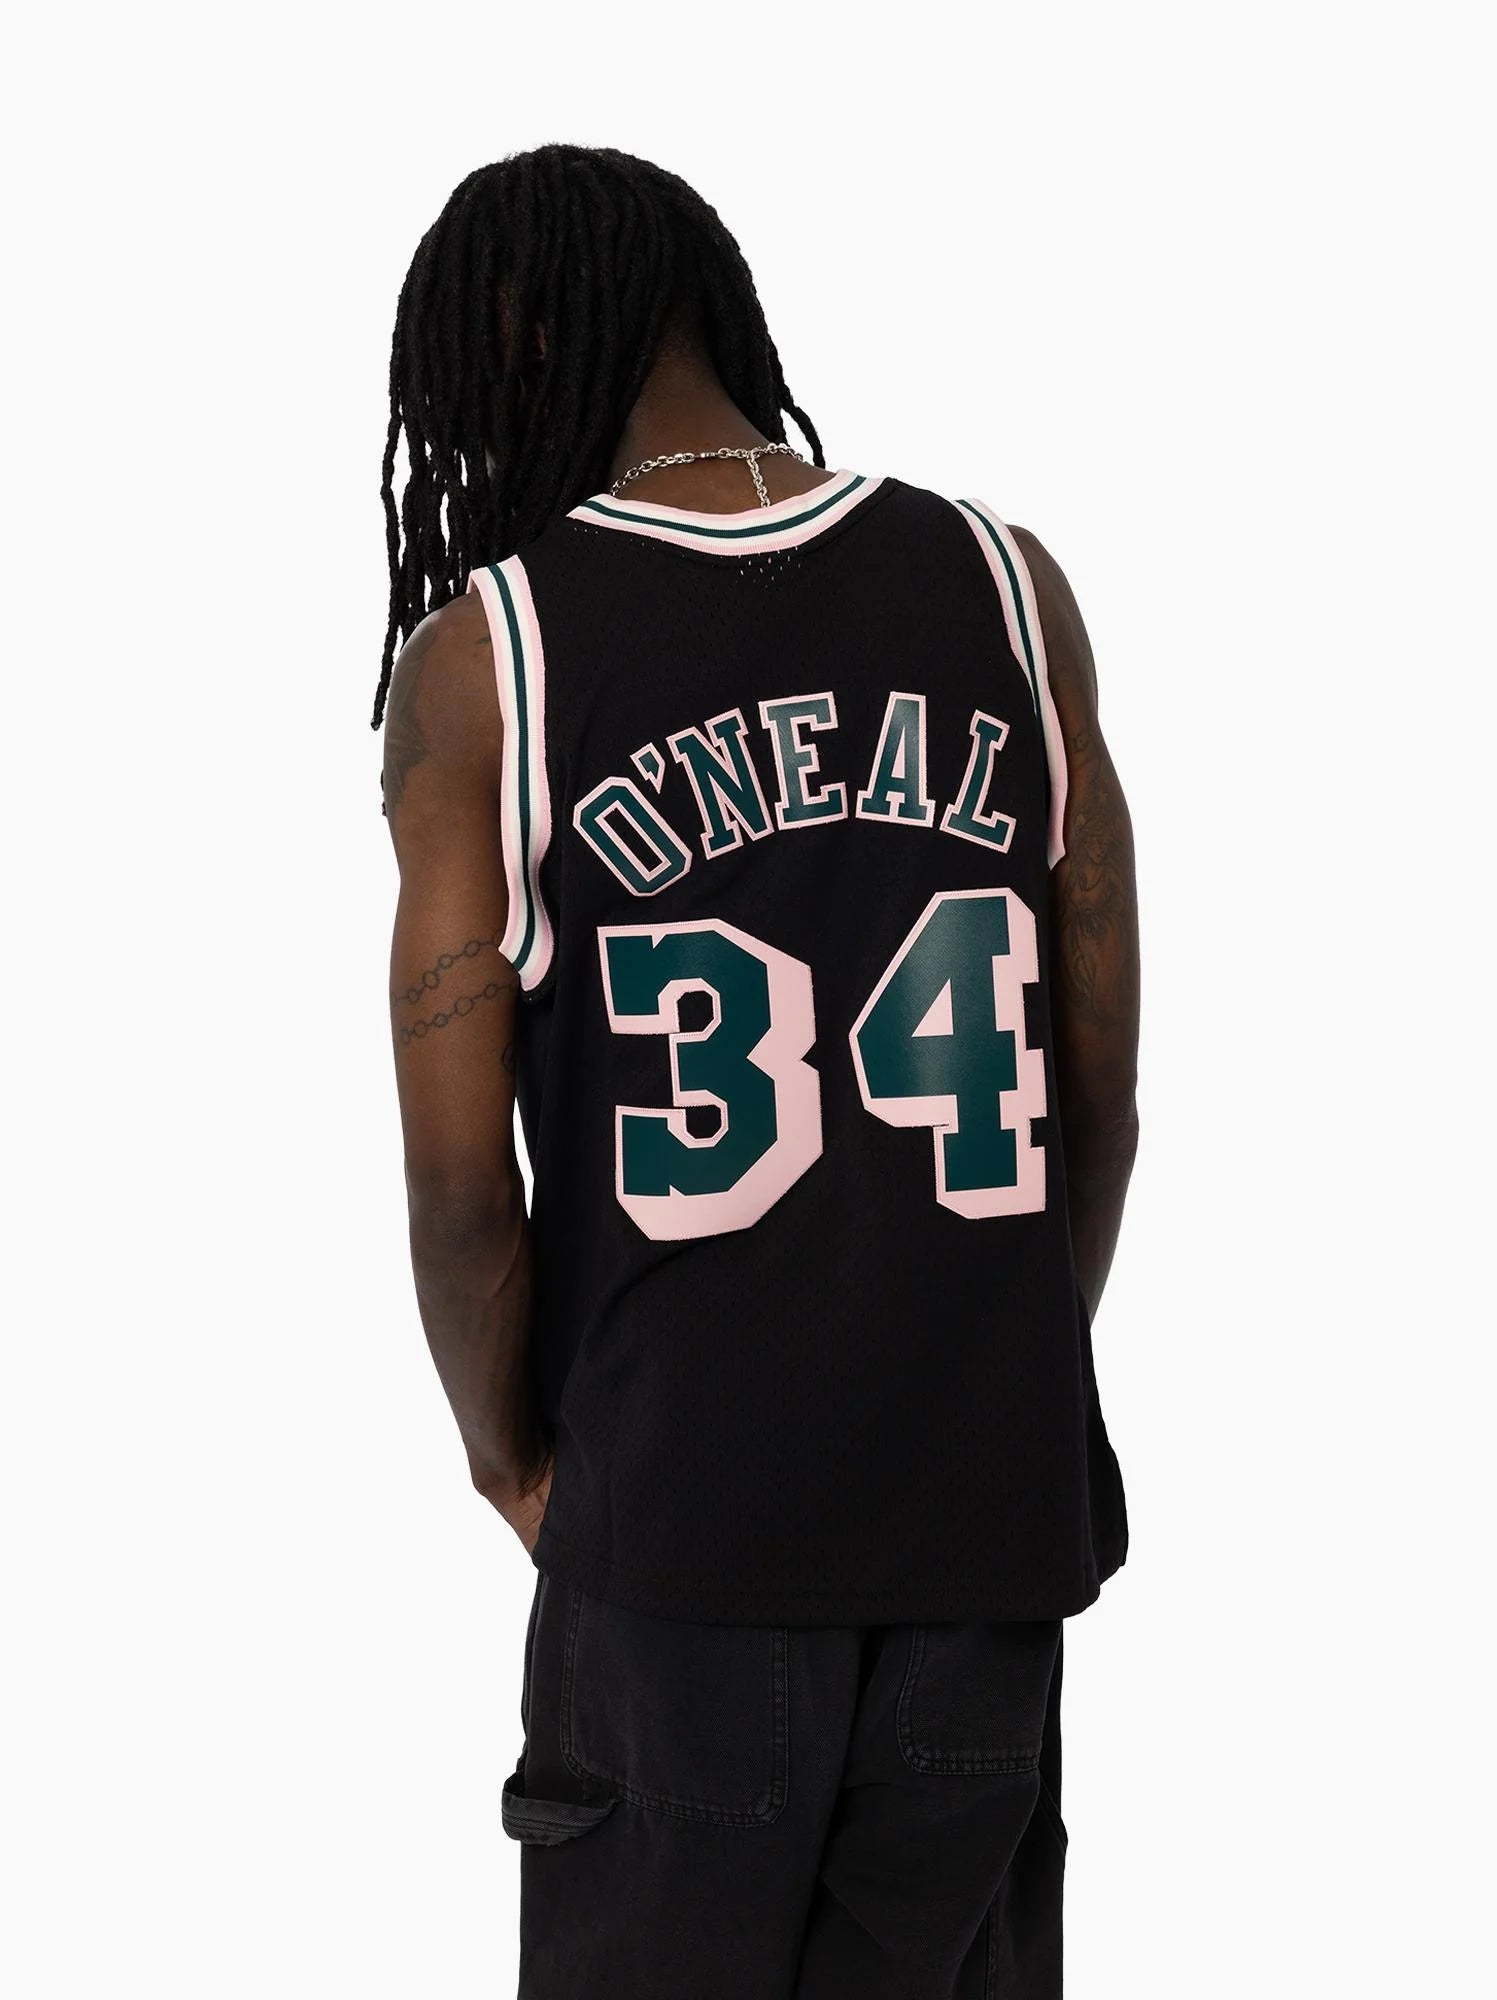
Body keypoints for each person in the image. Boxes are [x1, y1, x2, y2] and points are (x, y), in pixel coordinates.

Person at [377, 143, 1139, 2000]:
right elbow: (1098, 1087)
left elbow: (465, 1190)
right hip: (987, 1540)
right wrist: (996, 1382)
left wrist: (509, 1462)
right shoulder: (1008, 585)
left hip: (681, 1547)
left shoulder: (493, 658)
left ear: (523, 343)